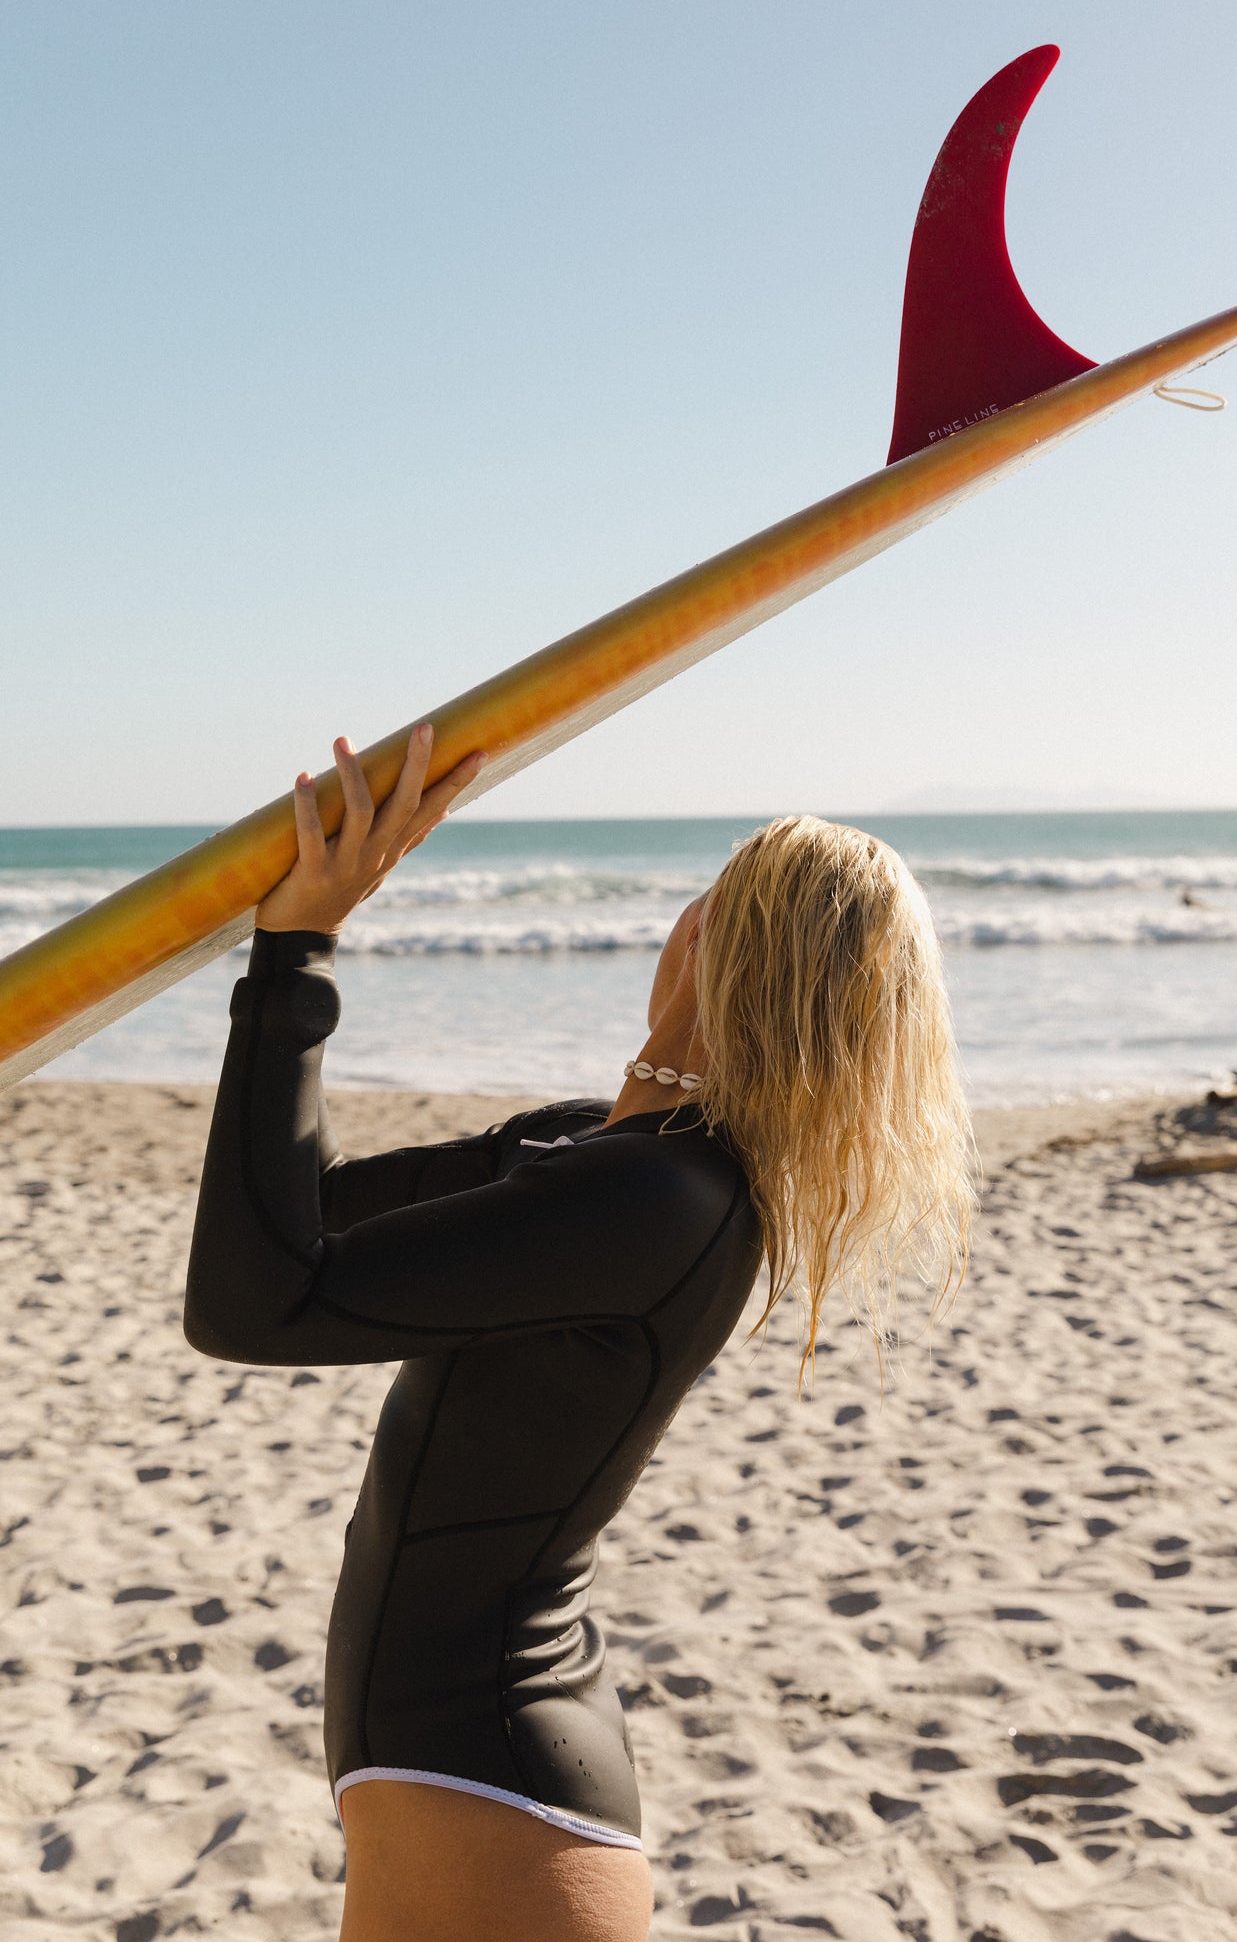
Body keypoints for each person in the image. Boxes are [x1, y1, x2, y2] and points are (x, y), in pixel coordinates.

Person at [185, 723, 974, 1942]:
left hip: (486, 1783)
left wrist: (297, 948)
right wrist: (304, 935)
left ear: (716, 939)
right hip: (454, 1776)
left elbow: (252, 1304)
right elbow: (301, 1215)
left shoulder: (655, 1201)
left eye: (710, 891)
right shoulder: (606, 1159)